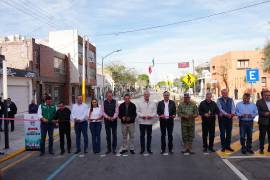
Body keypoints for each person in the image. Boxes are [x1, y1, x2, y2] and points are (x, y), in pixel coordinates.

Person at [137, 90, 157, 155]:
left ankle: (149, 149)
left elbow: (155, 112)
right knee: (142, 136)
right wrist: (142, 116)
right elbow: (137, 112)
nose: (146, 96)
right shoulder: (140, 103)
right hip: (142, 122)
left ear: (149, 95)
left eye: (147, 95)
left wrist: (151, 116)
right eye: (145, 95)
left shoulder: (153, 103)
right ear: (143, 95)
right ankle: (142, 149)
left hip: (149, 122)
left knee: (149, 136)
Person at [256, 90, 270, 154]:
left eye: (269, 95)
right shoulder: (259, 102)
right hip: (263, 122)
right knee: (262, 136)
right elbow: (257, 111)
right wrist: (264, 113)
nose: (268, 96)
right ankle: (261, 149)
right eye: (266, 95)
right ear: (263, 95)